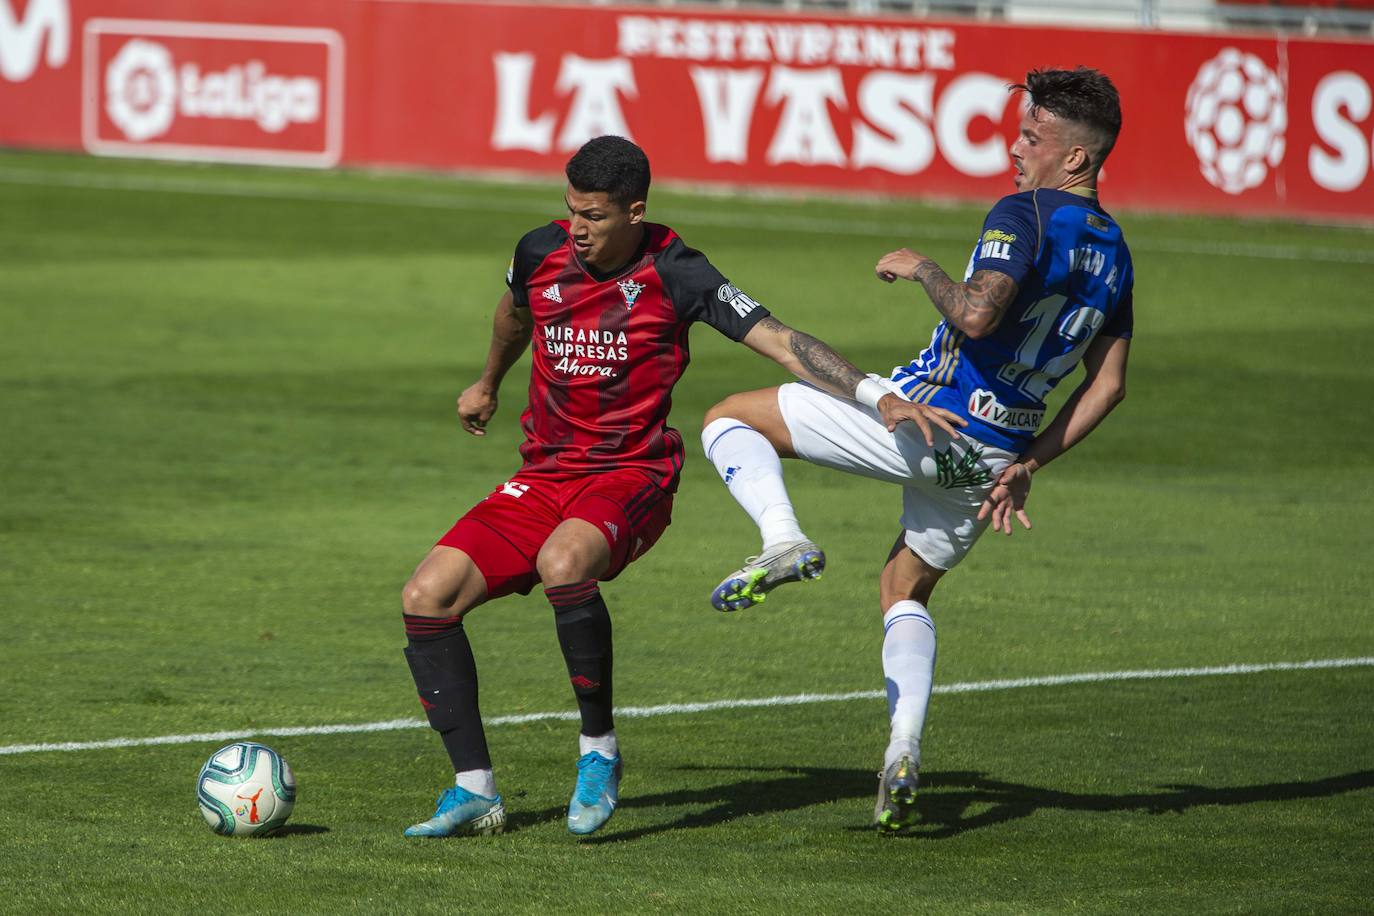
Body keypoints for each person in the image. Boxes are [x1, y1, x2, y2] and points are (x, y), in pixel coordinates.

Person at [400, 135, 882, 838]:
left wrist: (876, 397)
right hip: (544, 474)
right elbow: (515, 313)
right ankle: (475, 790)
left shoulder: (679, 272)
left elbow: (780, 341)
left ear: (635, 211)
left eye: (594, 215)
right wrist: (487, 382)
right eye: (571, 211)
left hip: (633, 473)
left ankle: (598, 752)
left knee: (563, 564)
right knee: (426, 596)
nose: (578, 229)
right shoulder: (539, 252)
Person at [700, 67, 1133, 832]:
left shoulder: (1025, 212)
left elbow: (974, 315)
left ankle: (783, 540)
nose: (1015, 146)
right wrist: (1029, 462)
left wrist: (921, 265)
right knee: (903, 586)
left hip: (928, 420)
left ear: (1076, 159)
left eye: (1032, 137)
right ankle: (902, 750)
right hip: (995, 460)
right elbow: (1108, 387)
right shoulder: (1117, 253)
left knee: (730, 418)